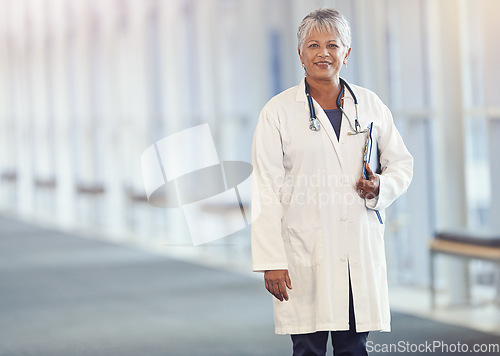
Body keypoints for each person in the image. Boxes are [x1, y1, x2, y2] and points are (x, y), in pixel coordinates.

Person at [251, 8, 413, 356]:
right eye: (313, 45)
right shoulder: (277, 112)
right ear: (300, 54)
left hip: (357, 243)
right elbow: (265, 187)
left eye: (332, 45)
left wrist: (380, 187)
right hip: (304, 248)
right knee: (308, 348)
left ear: (347, 53)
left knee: (354, 348)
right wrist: (271, 259)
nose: (323, 53)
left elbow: (401, 163)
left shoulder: (370, 105)